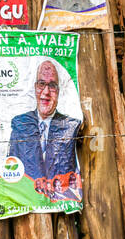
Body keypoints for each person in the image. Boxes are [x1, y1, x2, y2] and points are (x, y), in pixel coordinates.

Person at [7, 60, 81, 199]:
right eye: (42, 84)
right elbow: (11, 168)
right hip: (27, 201)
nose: (46, 92)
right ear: (35, 88)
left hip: (60, 202)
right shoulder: (19, 124)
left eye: (52, 86)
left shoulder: (71, 125)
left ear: (58, 91)